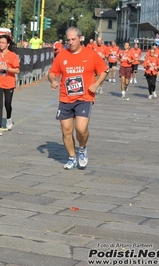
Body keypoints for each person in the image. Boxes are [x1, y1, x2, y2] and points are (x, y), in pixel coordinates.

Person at [48, 27, 108, 170]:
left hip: (85, 97)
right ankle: (71, 157)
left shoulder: (90, 54)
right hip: (65, 98)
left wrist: (97, 83)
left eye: (73, 39)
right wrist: (53, 81)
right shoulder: (62, 55)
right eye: (68, 39)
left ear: (80, 38)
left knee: (81, 129)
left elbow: (104, 70)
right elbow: (52, 73)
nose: (70, 42)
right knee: (66, 130)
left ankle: (82, 149)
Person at [0, 34, 20, 135]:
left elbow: (17, 70)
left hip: (9, 83)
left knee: (7, 104)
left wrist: (7, 69)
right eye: (0, 42)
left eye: (3, 42)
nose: (1, 44)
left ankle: (8, 119)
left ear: (8, 44)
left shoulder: (12, 56)